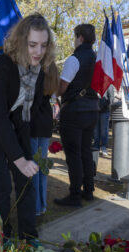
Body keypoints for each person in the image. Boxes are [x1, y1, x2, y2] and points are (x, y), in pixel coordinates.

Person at [0, 13, 56, 243]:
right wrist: (18, 158)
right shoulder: (1, 67)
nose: (38, 52)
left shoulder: (38, 74)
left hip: (14, 131)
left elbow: (25, 119)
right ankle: (2, 239)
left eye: (43, 46)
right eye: (32, 45)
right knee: (2, 184)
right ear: (21, 42)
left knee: (26, 182)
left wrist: (25, 155)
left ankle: (28, 236)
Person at [54, 24, 98, 208]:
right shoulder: (96, 58)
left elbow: (62, 86)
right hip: (92, 109)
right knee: (86, 152)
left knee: (74, 154)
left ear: (79, 37)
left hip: (74, 111)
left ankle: (74, 196)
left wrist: (54, 92)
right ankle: (88, 191)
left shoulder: (74, 58)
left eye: (74, 37)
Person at [30, 62, 59, 216]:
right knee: (42, 166)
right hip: (45, 119)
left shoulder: (39, 69)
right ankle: (41, 205)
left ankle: (36, 206)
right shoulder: (53, 69)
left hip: (35, 121)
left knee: (35, 166)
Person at [93, 86, 113, 157]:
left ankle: (104, 147)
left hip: (105, 111)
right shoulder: (95, 82)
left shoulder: (109, 84)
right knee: (96, 131)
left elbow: (111, 98)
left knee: (104, 130)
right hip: (95, 110)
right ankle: (96, 146)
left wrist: (107, 107)